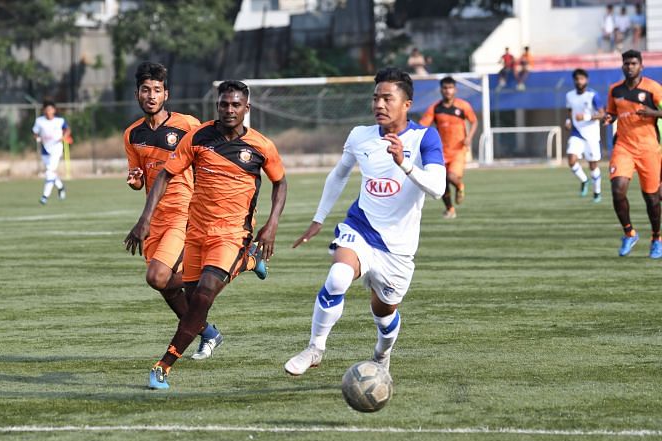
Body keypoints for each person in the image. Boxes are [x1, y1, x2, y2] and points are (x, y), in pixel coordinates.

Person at [124, 80, 288, 389]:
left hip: (232, 233)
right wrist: (144, 219)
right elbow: (165, 175)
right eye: (224, 104)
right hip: (196, 230)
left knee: (201, 299)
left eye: (235, 105)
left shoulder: (261, 146)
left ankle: (164, 365)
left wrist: (272, 224)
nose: (229, 110)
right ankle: (248, 262)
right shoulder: (198, 138)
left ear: (246, 109)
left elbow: (281, 183)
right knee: (189, 296)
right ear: (217, 106)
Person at [284, 67, 444, 377]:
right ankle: (315, 348)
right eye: (375, 98)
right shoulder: (360, 135)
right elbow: (339, 174)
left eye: (387, 98)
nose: (379, 105)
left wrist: (405, 164)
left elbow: (438, 188)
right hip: (360, 227)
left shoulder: (425, 136)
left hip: (398, 247)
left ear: (406, 103)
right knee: (339, 276)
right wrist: (318, 219)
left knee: (383, 314)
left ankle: (382, 355)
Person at [124, 62, 256, 360]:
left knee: (158, 277)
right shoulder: (132, 135)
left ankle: (234, 266)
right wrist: (135, 182)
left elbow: (212, 153)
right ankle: (207, 330)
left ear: (166, 94)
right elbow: (138, 175)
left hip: (184, 213)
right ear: (137, 94)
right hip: (155, 216)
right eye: (146, 90)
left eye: (157, 90)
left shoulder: (187, 125)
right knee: (169, 287)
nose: (151, 95)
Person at [603, 50, 662, 258]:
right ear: (622, 66)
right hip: (624, 147)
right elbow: (611, 112)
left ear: (641, 66)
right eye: (626, 63)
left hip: (649, 149)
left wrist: (653, 113)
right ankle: (629, 233)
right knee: (617, 190)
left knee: (652, 198)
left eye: (633, 63)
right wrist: (608, 118)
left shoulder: (653, 88)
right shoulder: (615, 90)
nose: (630, 67)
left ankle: (656, 238)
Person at [419, 76, 478, 219]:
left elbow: (474, 121)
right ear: (441, 90)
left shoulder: (463, 106)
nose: (448, 91)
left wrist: (469, 137)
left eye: (450, 88)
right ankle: (450, 209)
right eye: (445, 88)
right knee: (442, 181)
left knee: (451, 176)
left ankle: (459, 186)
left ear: (455, 89)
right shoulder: (435, 108)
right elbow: (422, 125)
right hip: (441, 151)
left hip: (458, 150)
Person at [564, 68, 604, 203]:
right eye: (576, 79)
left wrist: (586, 116)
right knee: (571, 159)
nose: (579, 81)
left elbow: (602, 114)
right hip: (577, 133)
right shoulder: (569, 95)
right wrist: (569, 121)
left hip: (592, 135)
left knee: (593, 166)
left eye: (581, 79)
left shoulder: (593, 95)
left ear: (586, 80)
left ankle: (597, 192)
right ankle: (584, 180)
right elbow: (570, 110)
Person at [31, 100, 70, 205]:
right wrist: (38, 138)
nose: (49, 111)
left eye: (50, 109)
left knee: (49, 172)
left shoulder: (59, 121)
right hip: (45, 149)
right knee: (51, 172)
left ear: (54, 110)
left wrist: (64, 136)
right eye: (46, 109)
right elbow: (34, 132)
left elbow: (67, 129)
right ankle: (61, 187)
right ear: (44, 110)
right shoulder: (39, 121)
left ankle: (44, 197)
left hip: (56, 148)